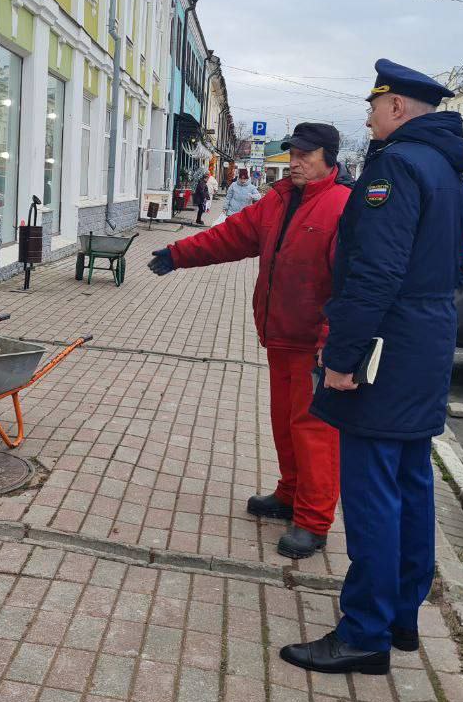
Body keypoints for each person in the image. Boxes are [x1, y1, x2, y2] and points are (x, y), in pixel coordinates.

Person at [279, 60, 463, 675]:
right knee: (412, 484)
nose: (367, 116)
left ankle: (364, 632)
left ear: (397, 109)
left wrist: (343, 358)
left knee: (372, 496)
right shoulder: (446, 167)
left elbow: (375, 271)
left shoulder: (395, 166)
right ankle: (401, 617)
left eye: (374, 105)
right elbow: (455, 270)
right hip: (427, 342)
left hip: (386, 349)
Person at [149, 124, 352, 558]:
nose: (294, 162)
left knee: (314, 430)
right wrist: (177, 254)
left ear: (328, 157)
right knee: (284, 422)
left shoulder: (343, 207)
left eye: (305, 155)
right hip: (279, 335)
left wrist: (334, 343)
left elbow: (352, 285)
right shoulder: (277, 201)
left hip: (315, 343)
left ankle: (314, 521)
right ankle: (289, 493)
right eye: (291, 154)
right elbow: (230, 236)